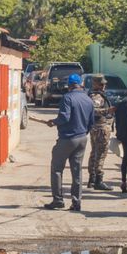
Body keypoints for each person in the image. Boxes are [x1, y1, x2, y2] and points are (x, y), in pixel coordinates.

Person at [36, 72, 93, 211]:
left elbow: (64, 117)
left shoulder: (67, 98)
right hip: (82, 138)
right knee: (77, 171)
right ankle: (76, 202)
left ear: (69, 85)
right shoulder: (88, 99)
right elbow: (91, 122)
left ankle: (58, 200)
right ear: (80, 84)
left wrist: (53, 122)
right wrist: (83, 132)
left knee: (57, 169)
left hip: (67, 138)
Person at [85, 76, 114, 191]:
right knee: (101, 153)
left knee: (95, 153)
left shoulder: (94, 95)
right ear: (95, 84)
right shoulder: (96, 97)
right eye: (101, 84)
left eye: (104, 84)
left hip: (97, 128)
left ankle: (92, 179)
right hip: (100, 128)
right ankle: (98, 180)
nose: (103, 86)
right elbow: (93, 111)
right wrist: (107, 111)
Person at [112, 85, 127, 194]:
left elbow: (116, 120)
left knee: (125, 158)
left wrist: (118, 133)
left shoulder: (121, 104)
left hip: (122, 135)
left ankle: (123, 182)